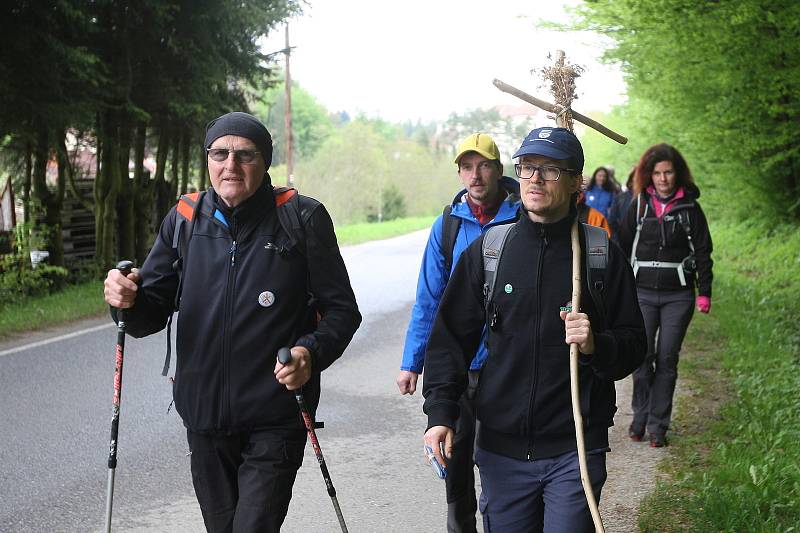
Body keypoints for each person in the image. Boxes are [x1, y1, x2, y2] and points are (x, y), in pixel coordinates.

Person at [103, 112, 361, 532]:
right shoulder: (185, 218)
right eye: (220, 153)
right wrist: (125, 301)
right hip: (204, 418)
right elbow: (147, 311)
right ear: (207, 159)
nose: (231, 166)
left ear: (265, 161)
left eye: (245, 155)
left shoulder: (301, 218)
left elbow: (343, 312)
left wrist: (308, 354)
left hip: (276, 415)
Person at [422, 126, 646, 532]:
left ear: (577, 181)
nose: (535, 179)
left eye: (550, 169)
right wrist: (440, 413)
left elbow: (634, 345)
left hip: (575, 447)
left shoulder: (598, 254)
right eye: (527, 167)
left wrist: (597, 344)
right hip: (501, 453)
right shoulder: (491, 251)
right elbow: (449, 340)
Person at [397, 132, 519, 533]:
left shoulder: (522, 220)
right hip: (458, 365)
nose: (475, 175)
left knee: (501, 462)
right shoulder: (447, 226)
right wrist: (411, 362)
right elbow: (429, 298)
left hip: (507, 366)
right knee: (455, 459)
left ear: (498, 171)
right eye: (467, 167)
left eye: (483, 165)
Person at [618, 143, 713, 448]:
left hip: (679, 296)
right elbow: (620, 247)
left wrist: (705, 292)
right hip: (641, 294)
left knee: (667, 360)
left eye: (668, 172)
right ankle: (640, 416)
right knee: (641, 359)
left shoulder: (691, 209)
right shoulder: (638, 205)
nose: (663, 178)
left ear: (677, 173)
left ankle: (659, 426)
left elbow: (703, 251)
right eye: (657, 173)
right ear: (649, 175)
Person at [607, 168, 635, 240]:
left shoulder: (650, 198)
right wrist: (617, 238)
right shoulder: (621, 197)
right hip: (623, 239)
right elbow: (612, 220)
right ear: (631, 181)